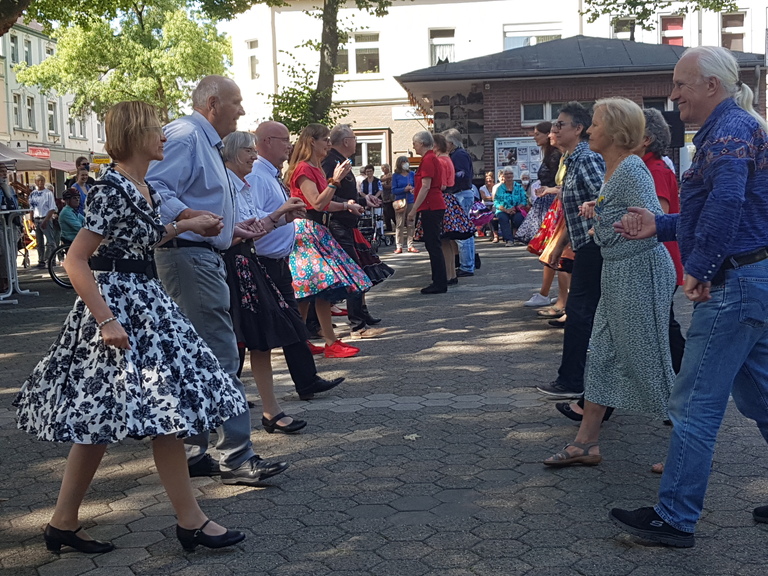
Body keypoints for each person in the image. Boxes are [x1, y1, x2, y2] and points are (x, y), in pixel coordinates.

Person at [14, 100, 247, 554]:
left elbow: (139, 240)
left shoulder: (143, 187)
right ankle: (189, 521)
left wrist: (186, 225)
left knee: (132, 418)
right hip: (117, 310)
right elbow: (75, 259)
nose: (164, 136)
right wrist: (106, 320)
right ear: (137, 134)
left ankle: (66, 522)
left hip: (145, 300)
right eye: (157, 129)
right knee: (135, 415)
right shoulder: (111, 189)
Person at [609, 46, 768, 548]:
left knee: (694, 403)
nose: (673, 94)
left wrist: (697, 269)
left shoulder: (728, 132)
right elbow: (725, 213)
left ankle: (675, 517)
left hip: (734, 284)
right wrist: (659, 224)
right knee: (762, 397)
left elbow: (726, 204)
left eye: (680, 84)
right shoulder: (737, 128)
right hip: (753, 280)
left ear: (711, 86)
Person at [146, 75, 289, 486]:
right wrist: (193, 218)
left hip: (199, 255)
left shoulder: (200, 140)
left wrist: (226, 228)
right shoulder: (188, 135)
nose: (242, 111)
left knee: (200, 355)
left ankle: (195, 450)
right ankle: (236, 457)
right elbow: (153, 188)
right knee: (221, 354)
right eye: (236, 102)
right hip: (188, 258)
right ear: (212, 103)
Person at [543, 97, 676, 467]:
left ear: (617, 132)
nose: (589, 130)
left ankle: (689, 447)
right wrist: (600, 214)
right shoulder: (615, 168)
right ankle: (586, 444)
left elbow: (656, 221)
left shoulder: (632, 169)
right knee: (601, 356)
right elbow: (626, 214)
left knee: (647, 361)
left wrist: (615, 225)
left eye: (596, 124)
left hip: (639, 273)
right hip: (618, 272)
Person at [246, 121, 346, 400]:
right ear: (266, 141)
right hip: (264, 261)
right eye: (283, 140)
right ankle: (288, 386)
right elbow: (253, 218)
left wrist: (286, 215)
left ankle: (306, 380)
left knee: (292, 321)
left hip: (278, 258)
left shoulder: (269, 175)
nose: (289, 145)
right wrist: (283, 214)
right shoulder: (258, 176)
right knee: (267, 329)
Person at [536, 102, 606, 399]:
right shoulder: (570, 161)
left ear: (578, 129)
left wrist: (593, 235)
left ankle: (572, 381)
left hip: (596, 248)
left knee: (579, 314)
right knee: (586, 315)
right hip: (584, 246)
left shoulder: (587, 159)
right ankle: (578, 383)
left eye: (559, 125)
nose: (554, 130)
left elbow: (603, 199)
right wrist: (559, 245)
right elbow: (575, 211)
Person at [285, 123, 373, 356]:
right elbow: (316, 202)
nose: (328, 144)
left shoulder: (313, 168)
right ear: (312, 141)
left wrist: (346, 205)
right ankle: (325, 342)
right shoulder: (303, 169)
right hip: (306, 231)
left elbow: (324, 202)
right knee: (318, 287)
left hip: (317, 229)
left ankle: (308, 341)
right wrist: (334, 181)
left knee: (312, 290)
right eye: (325, 139)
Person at [322, 125, 388, 339]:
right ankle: (356, 325)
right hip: (337, 223)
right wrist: (348, 205)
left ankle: (361, 315)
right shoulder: (331, 162)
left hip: (348, 223)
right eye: (354, 137)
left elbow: (347, 193)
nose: (357, 141)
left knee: (358, 268)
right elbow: (326, 196)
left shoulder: (342, 162)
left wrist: (364, 199)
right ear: (345, 141)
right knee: (352, 271)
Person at [409, 130, 446, 294]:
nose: (414, 146)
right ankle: (439, 280)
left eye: (415, 143)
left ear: (422, 143)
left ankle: (439, 282)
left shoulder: (428, 160)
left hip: (431, 206)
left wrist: (414, 209)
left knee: (433, 245)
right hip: (433, 204)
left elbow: (426, 186)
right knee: (433, 244)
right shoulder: (431, 158)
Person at [443, 128, 476, 276]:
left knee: (462, 232)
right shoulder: (458, 154)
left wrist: (448, 177)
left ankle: (467, 266)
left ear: (450, 142)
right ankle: (469, 263)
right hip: (462, 193)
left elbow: (463, 174)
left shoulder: (459, 155)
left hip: (461, 194)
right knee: (464, 232)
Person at [434, 133, 459, 285]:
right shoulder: (448, 159)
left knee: (442, 240)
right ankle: (452, 273)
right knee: (447, 240)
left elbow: (442, 185)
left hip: (442, 199)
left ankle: (448, 274)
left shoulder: (440, 161)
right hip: (450, 199)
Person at [28, 174, 58, 268]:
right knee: (39, 242)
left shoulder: (48, 193)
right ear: (36, 182)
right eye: (38, 181)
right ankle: (41, 260)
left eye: (42, 181)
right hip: (37, 218)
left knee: (50, 241)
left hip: (46, 217)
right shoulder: (33, 194)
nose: (40, 183)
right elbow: (31, 208)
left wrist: (46, 220)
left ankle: (51, 259)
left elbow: (52, 208)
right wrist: (31, 220)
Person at [493, 167, 527, 246]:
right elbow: (496, 202)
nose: (509, 175)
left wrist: (516, 208)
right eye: (506, 174)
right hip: (503, 210)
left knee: (519, 218)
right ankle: (509, 240)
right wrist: (506, 210)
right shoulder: (499, 188)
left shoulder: (519, 187)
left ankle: (520, 238)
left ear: (513, 175)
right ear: (503, 176)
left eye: (510, 173)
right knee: (502, 218)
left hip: (516, 209)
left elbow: (524, 200)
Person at [391, 155, 417, 254]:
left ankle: (410, 245)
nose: (406, 164)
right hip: (400, 202)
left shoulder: (412, 174)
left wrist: (413, 190)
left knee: (411, 223)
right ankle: (399, 246)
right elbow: (393, 190)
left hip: (411, 200)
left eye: (406, 162)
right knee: (399, 224)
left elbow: (416, 186)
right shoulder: (395, 176)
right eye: (403, 162)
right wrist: (403, 189)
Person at [380, 163, 395, 232]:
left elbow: (390, 186)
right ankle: (388, 226)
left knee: (391, 212)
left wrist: (382, 184)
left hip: (390, 196)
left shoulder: (391, 175)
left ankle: (396, 225)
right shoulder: (382, 176)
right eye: (382, 168)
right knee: (385, 213)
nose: (383, 169)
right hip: (384, 196)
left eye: (384, 168)